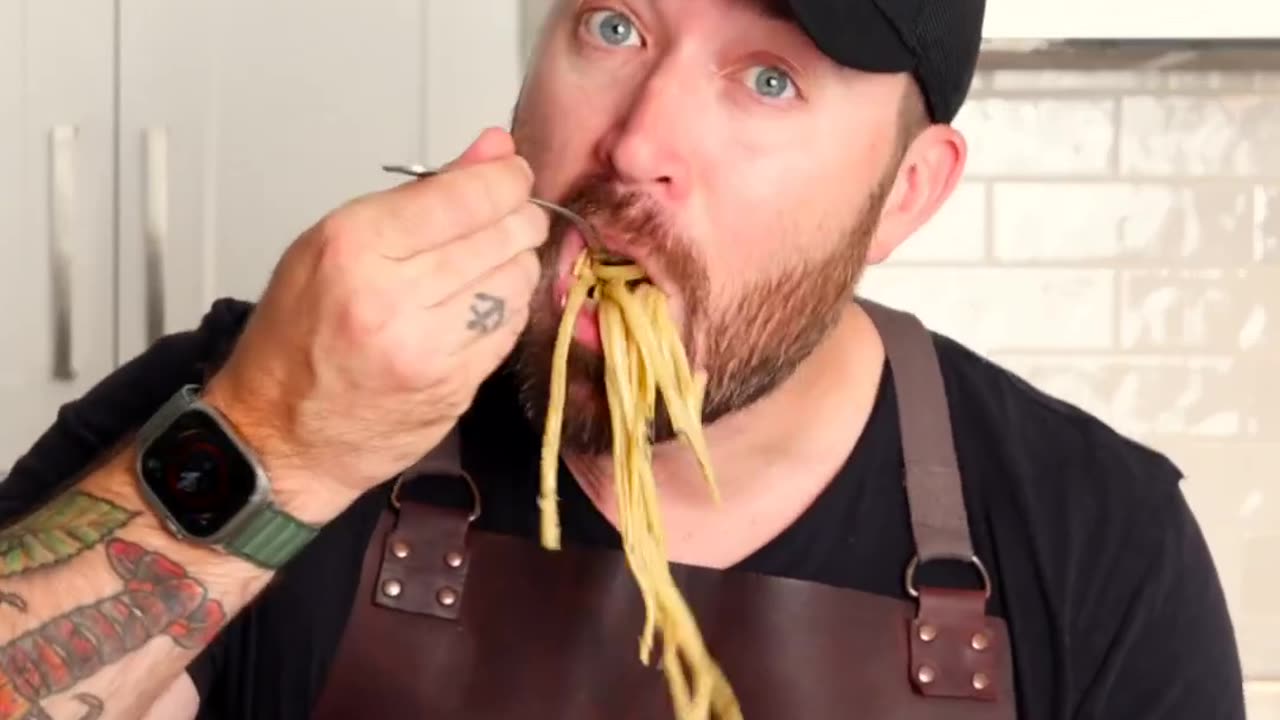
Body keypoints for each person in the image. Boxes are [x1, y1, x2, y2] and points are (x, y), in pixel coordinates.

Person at [0, 0, 1246, 718]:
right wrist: (279, 445)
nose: (636, 144)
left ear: (900, 198)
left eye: (767, 80)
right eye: (612, 23)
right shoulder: (261, 390)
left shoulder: (1094, 542)